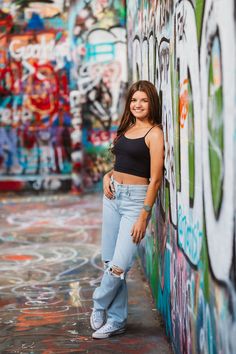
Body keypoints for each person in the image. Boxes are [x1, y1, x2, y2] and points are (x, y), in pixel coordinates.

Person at [90, 80, 164, 339]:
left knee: (119, 265)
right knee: (109, 261)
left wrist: (144, 216)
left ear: (151, 102)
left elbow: (155, 179)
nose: (138, 104)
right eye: (134, 100)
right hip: (112, 197)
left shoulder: (154, 133)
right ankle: (116, 320)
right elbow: (121, 162)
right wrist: (107, 175)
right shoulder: (127, 127)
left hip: (135, 202)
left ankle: (98, 302)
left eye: (143, 100)